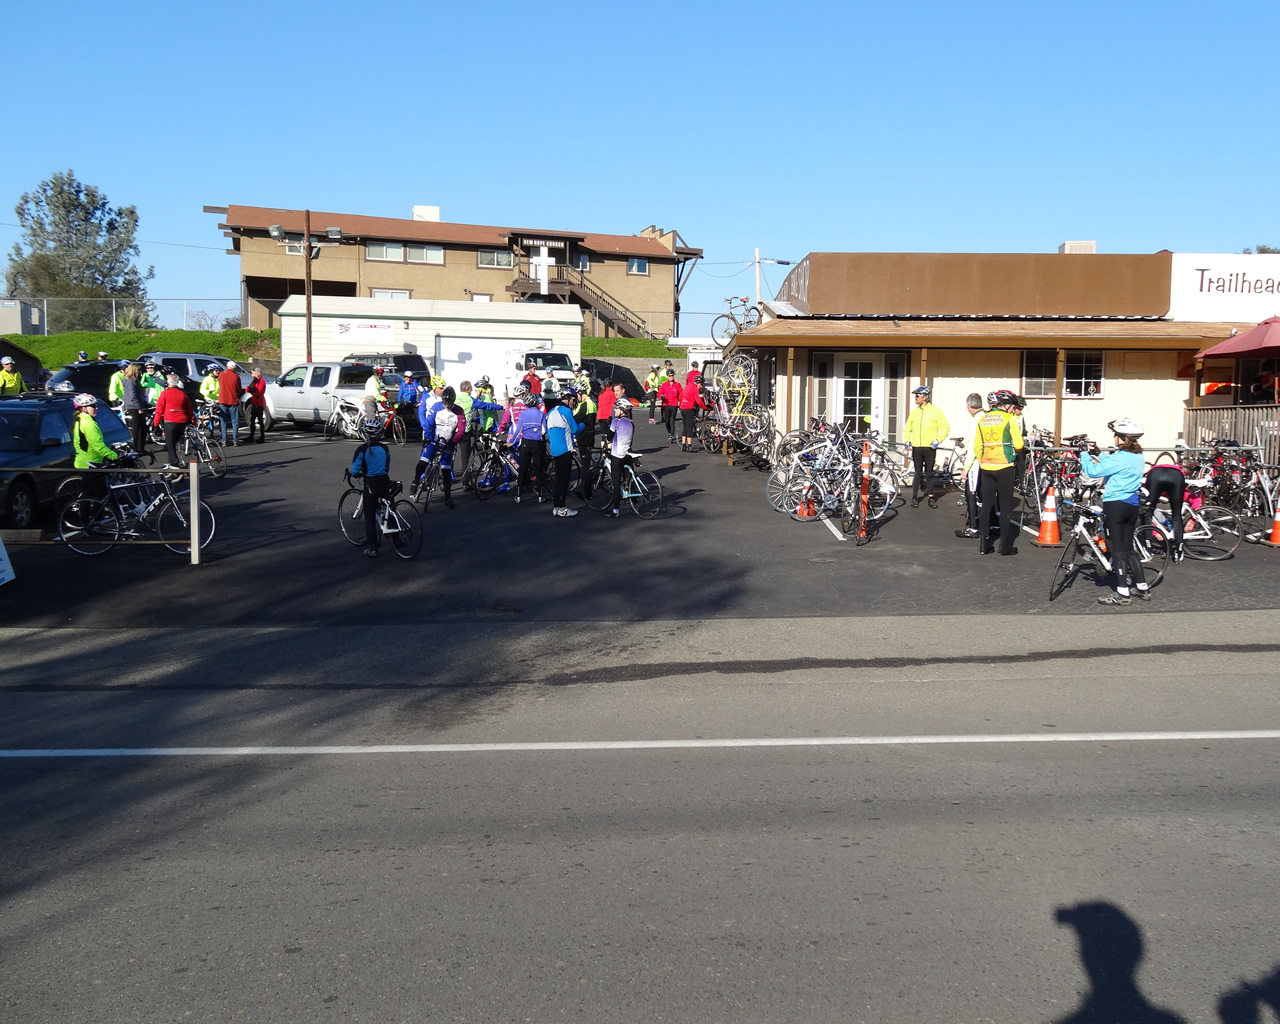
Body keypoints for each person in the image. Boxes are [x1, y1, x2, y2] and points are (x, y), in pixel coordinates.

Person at [1080, 418, 1152, 605]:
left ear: (1122, 437)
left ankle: (1122, 593)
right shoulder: (1137, 456)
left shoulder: (1120, 457)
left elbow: (1093, 471)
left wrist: (1084, 454)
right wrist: (1099, 454)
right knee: (1129, 548)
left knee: (1117, 550)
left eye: (1116, 435)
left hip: (1115, 506)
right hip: (1131, 506)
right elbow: (1114, 465)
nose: (1114, 438)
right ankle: (1142, 588)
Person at [973, 389, 1024, 555]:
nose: (1014, 409)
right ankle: (1004, 547)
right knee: (1005, 507)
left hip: (986, 466)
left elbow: (977, 445)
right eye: (1013, 406)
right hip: (1004, 466)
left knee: (986, 505)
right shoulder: (1010, 419)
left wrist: (982, 459)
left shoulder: (983, 418)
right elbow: (1019, 445)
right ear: (1007, 405)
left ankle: (984, 545)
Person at [415, 386, 466, 507]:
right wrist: (427, 437)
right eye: (445, 403)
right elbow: (429, 423)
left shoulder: (459, 411)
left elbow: (461, 430)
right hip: (434, 440)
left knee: (446, 470)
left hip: (448, 442)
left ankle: (448, 498)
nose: (447, 406)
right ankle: (416, 480)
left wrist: (453, 442)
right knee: (423, 462)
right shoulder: (436, 406)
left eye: (449, 404)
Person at [350, 417, 392, 558]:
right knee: (390, 509)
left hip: (371, 484)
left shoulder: (362, 449)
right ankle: (397, 539)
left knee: (369, 516)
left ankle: (373, 549)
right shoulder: (385, 448)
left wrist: (353, 473)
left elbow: (355, 470)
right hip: (384, 481)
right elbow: (387, 467)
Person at [903, 385, 949, 508]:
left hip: (929, 447)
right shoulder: (914, 412)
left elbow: (945, 427)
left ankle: (931, 498)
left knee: (929, 473)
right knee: (917, 473)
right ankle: (914, 498)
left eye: (917, 396)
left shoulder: (935, 411)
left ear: (924, 397)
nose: (915, 398)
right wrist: (907, 440)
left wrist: (938, 440)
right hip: (917, 447)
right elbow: (907, 428)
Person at [71, 393, 119, 496]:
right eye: (93, 406)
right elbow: (98, 446)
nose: (96, 408)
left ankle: (85, 507)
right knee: (105, 497)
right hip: (91, 465)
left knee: (88, 495)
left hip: (84, 463)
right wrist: (115, 456)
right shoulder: (89, 424)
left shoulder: (80, 419)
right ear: (84, 408)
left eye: (96, 405)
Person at [545, 387, 582, 517]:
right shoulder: (566, 411)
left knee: (557, 480)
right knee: (564, 480)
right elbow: (575, 429)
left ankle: (556, 507)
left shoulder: (550, 412)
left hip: (555, 449)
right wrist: (584, 424)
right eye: (573, 400)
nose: (574, 402)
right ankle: (563, 508)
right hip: (565, 449)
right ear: (567, 399)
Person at [955, 393, 985, 538]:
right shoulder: (986, 416)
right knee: (984, 493)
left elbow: (973, 445)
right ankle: (989, 523)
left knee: (970, 492)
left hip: (976, 462)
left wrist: (966, 467)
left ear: (969, 406)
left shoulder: (976, 420)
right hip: (987, 461)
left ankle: (973, 528)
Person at [1144, 462, 1187, 561]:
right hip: (1176, 475)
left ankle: (1148, 547)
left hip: (1156, 474)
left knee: (1148, 512)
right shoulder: (1176, 466)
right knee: (1176, 514)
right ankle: (1179, 550)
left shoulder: (1152, 468)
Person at [152, 373, 195, 470]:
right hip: (182, 421)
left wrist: (156, 423)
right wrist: (191, 420)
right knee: (173, 442)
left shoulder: (165, 393)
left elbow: (159, 409)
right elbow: (189, 408)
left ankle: (174, 463)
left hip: (170, 420)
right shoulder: (182, 394)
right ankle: (172, 462)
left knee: (170, 445)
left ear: (168, 383)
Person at [513, 387, 547, 503]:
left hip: (525, 443)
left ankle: (518, 495)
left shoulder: (523, 414)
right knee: (538, 469)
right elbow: (544, 430)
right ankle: (540, 496)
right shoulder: (540, 414)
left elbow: (518, 430)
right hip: (537, 443)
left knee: (523, 469)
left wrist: (511, 441)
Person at [607, 398, 636, 518]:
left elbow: (609, 437)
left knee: (616, 483)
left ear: (622, 410)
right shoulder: (631, 423)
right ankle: (635, 505)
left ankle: (615, 510)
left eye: (616, 408)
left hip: (617, 456)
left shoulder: (615, 422)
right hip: (627, 455)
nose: (614, 410)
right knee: (630, 480)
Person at [121, 363, 150, 454]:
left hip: (133, 406)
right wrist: (139, 407)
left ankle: (140, 448)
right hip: (134, 407)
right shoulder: (131, 382)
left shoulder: (131, 381)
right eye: (138, 370)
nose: (140, 372)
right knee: (138, 428)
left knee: (141, 428)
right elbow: (132, 395)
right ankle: (138, 448)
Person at [679, 373, 708, 452]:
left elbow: (680, 397)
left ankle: (683, 445)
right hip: (689, 408)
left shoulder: (687, 386)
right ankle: (689, 446)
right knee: (690, 427)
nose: (701, 386)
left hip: (683, 408)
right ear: (697, 383)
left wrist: (682, 403)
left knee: (685, 427)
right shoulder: (694, 389)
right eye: (701, 384)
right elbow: (698, 401)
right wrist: (705, 407)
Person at [217, 360, 243, 445]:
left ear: (227, 367)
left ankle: (224, 440)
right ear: (234, 368)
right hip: (233, 400)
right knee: (234, 422)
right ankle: (235, 440)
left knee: (223, 421)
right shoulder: (236, 377)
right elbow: (239, 389)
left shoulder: (221, 375)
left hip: (223, 399)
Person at [572, 384, 597, 460]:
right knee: (588, 459)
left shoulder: (585, 404)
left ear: (580, 393)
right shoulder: (591, 403)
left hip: (584, 436)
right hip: (590, 434)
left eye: (576, 395)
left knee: (585, 462)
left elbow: (576, 419)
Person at [658, 372, 682, 443]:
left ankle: (672, 435)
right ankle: (669, 432)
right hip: (666, 404)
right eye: (670, 376)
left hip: (674, 404)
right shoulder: (664, 385)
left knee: (672, 420)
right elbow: (659, 393)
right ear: (667, 376)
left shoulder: (677, 385)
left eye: (672, 375)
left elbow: (681, 394)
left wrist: (680, 401)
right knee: (667, 421)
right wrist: (661, 396)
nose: (671, 377)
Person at [245, 368, 268, 443]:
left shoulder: (261, 381)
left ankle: (262, 437)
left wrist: (251, 390)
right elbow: (247, 389)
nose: (252, 375)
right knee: (252, 420)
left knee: (260, 420)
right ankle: (251, 436)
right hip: (254, 402)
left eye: (253, 374)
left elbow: (258, 392)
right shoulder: (254, 381)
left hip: (259, 403)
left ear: (257, 374)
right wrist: (251, 390)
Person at [595, 376, 617, 448]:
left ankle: (603, 451)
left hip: (600, 416)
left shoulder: (601, 393)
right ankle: (609, 450)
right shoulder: (612, 393)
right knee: (610, 436)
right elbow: (614, 404)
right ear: (611, 385)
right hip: (608, 416)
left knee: (603, 435)